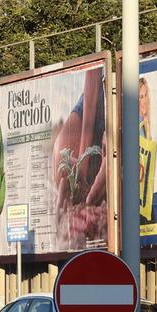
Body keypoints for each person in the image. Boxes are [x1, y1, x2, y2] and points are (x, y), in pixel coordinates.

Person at [51, 69, 107, 209]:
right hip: (98, 91)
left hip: (121, 95)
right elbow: (93, 72)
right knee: (63, 168)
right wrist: (84, 161)